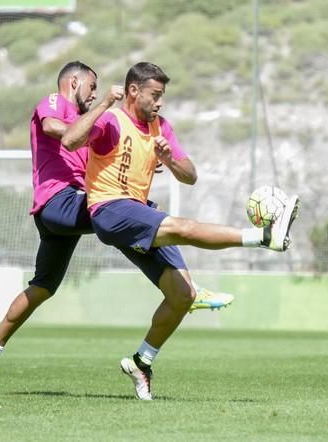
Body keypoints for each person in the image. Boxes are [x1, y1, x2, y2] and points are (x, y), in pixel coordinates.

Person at [0, 61, 233, 395]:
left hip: (65, 213)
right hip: (60, 201)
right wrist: (97, 113)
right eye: (92, 87)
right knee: (127, 213)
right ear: (74, 82)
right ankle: (185, 287)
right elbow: (56, 129)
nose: (94, 95)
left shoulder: (97, 123)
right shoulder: (55, 102)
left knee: (43, 286)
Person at [61, 62, 300, 400]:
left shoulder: (161, 126)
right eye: (154, 95)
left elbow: (190, 176)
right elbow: (70, 140)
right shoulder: (112, 119)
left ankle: (141, 362)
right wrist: (103, 104)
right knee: (182, 227)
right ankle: (263, 237)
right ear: (133, 91)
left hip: (137, 211)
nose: (159, 103)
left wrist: (170, 158)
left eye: (162, 96)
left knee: (182, 295)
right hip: (109, 209)